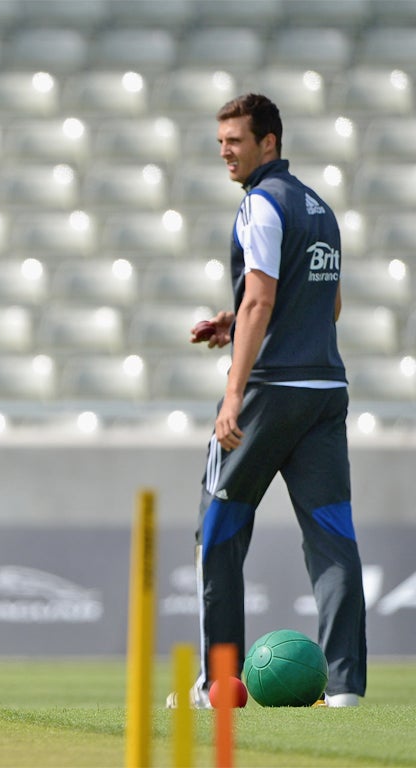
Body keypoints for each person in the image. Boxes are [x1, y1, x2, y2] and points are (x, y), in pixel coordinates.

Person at [171, 93, 366, 708]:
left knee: (218, 529)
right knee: (332, 537)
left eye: (235, 140)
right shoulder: (321, 208)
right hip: (325, 390)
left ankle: (218, 685)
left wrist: (233, 395)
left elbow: (263, 298)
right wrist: (237, 320)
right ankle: (344, 692)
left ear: (269, 143)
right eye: (221, 140)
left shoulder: (260, 203)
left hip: (269, 392)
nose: (224, 151)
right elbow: (327, 305)